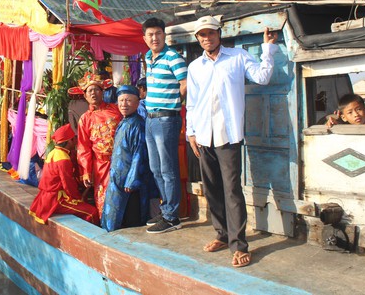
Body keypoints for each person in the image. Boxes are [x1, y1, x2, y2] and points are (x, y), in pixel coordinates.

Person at [185, 15, 279, 269]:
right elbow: (192, 103)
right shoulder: (195, 67)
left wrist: (268, 50)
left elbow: (262, 77)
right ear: (198, 39)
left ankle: (239, 245)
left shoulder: (237, 57)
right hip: (204, 135)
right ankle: (222, 235)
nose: (207, 38)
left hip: (229, 136)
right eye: (202, 35)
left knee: (232, 191)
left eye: (211, 33)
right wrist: (191, 133)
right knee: (212, 189)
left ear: (219, 34)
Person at [142, 17, 187, 234]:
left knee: (168, 169)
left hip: (166, 119)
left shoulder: (173, 57)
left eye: (158, 33)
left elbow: (185, 83)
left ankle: (172, 217)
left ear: (164, 35)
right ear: (145, 38)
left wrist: (173, 103)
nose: (154, 38)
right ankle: (166, 208)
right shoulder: (148, 57)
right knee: (156, 168)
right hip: (150, 119)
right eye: (150, 34)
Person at [101, 85, 153, 232]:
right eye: (121, 100)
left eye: (129, 100)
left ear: (137, 103)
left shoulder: (137, 124)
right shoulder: (123, 122)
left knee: (131, 218)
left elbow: (139, 153)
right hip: (118, 178)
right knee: (116, 216)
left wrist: (132, 179)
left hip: (130, 183)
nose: (124, 104)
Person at [72, 71, 122, 217]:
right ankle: (105, 224)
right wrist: (86, 172)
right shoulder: (85, 119)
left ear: (102, 92)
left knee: (122, 193)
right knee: (103, 196)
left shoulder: (116, 109)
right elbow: (83, 147)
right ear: (85, 96)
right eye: (89, 91)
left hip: (120, 160)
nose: (93, 93)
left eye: (96, 90)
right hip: (100, 164)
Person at [29, 124, 99, 225]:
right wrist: (77, 199)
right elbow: (68, 183)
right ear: (69, 141)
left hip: (46, 196)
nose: (76, 140)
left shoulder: (53, 152)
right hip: (56, 199)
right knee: (92, 212)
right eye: (74, 138)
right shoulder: (63, 158)